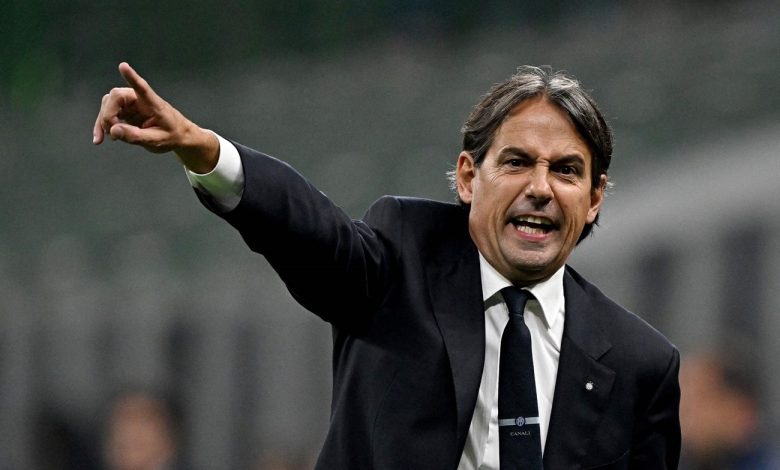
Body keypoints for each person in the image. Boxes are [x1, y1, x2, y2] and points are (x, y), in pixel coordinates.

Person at [93, 63, 681, 469]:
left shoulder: (640, 364)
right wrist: (203, 150)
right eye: (517, 162)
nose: (541, 188)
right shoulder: (402, 258)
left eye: (566, 170)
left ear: (594, 198)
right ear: (469, 178)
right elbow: (311, 233)